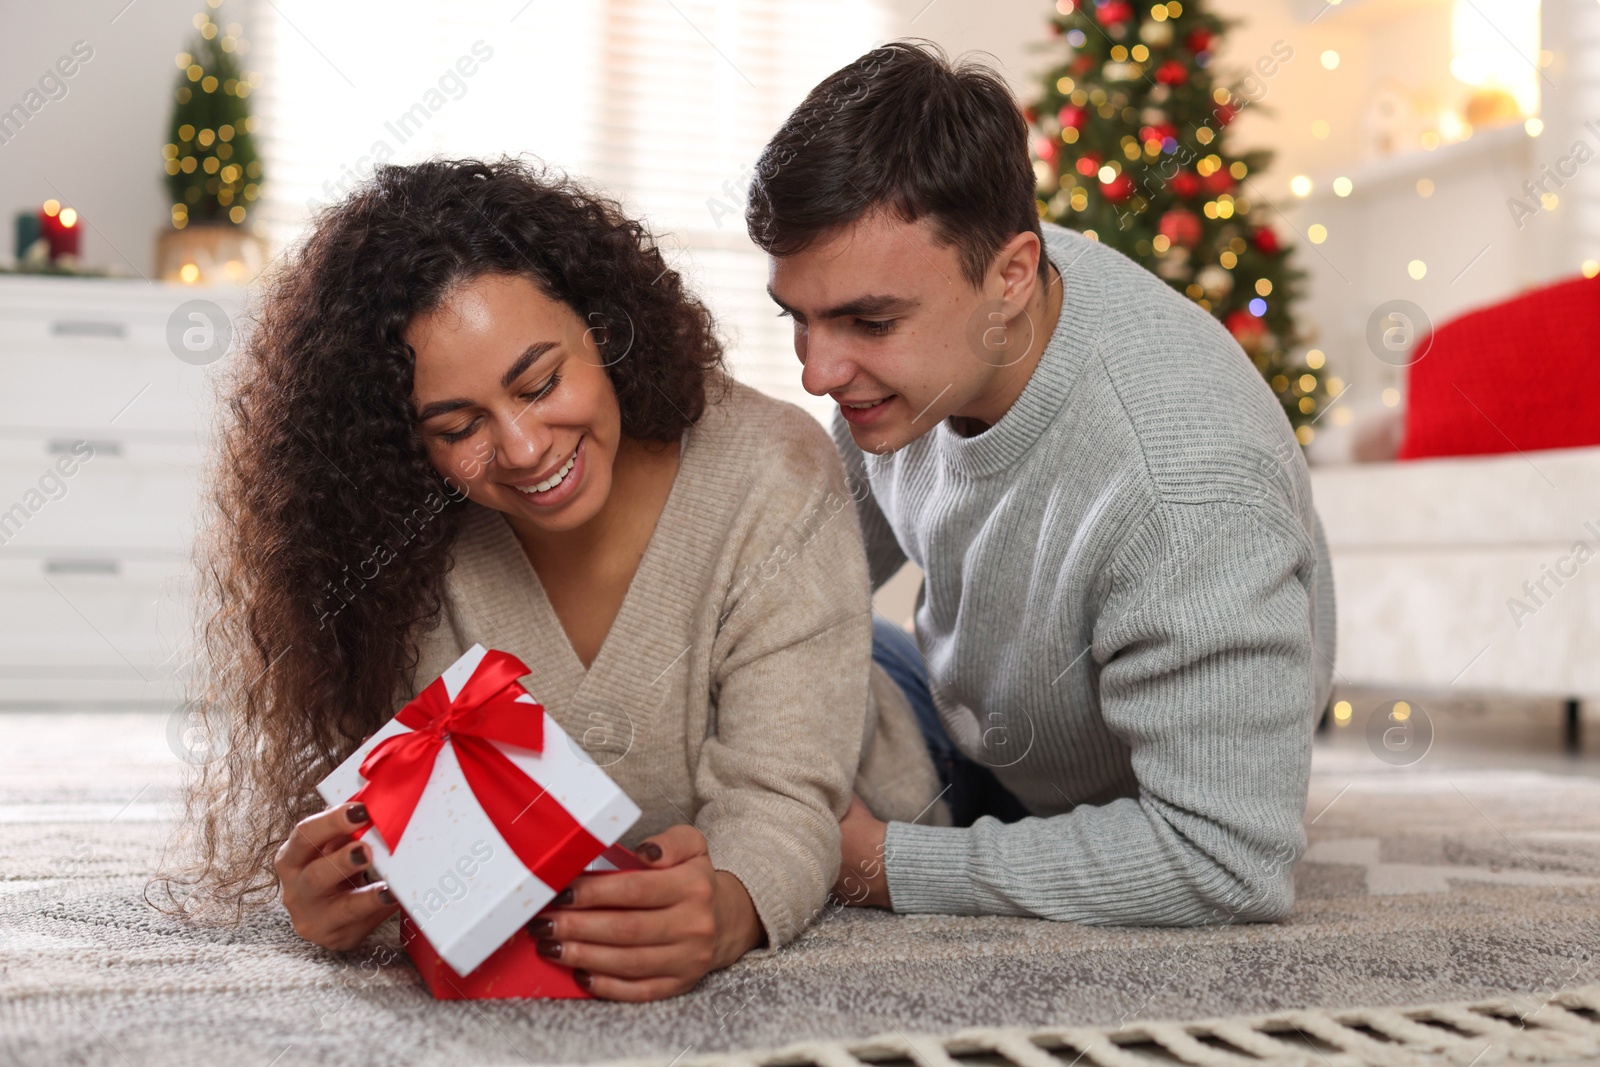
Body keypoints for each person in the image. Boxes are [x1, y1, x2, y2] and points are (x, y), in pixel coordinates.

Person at [150, 157, 941, 1001]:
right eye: (459, 426)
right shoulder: (404, 539)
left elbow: (787, 803)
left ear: (603, 328)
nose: (525, 449)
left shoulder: (774, 466)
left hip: (890, 722)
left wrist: (731, 904)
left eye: (541, 382)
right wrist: (349, 893)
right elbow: (444, 847)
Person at [747, 42, 1337, 925]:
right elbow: (803, 578)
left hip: (1119, 796)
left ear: (1014, 274)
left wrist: (884, 864)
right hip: (970, 716)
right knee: (741, 685)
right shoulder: (938, 292)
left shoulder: (1183, 484)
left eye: (868, 322)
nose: (818, 372)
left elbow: (1228, 860)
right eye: (799, 320)